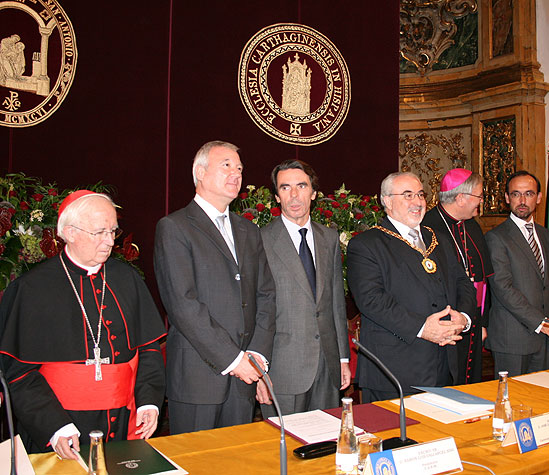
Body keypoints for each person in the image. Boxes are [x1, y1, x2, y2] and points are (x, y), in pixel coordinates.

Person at [0, 191, 166, 458]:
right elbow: (19, 374)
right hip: (62, 429)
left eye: (113, 231)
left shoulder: (128, 279)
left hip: (123, 424)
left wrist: (149, 403)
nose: (110, 241)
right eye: (99, 232)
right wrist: (55, 428)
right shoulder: (32, 289)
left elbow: (148, 351)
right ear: (70, 232)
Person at [154, 140, 275, 433]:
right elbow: (183, 304)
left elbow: (267, 295)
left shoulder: (248, 230)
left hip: (245, 375)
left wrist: (256, 355)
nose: (236, 174)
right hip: (199, 377)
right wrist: (233, 360)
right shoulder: (175, 227)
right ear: (200, 172)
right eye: (226, 166)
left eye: (239, 168)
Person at [347, 172, 476, 402]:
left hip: (444, 363)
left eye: (420, 195)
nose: (417, 202)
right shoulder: (367, 244)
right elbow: (372, 300)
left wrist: (463, 318)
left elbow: (463, 283)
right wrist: (422, 328)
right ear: (387, 201)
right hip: (395, 370)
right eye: (407, 195)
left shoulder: (438, 239)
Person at [259, 159, 350, 417]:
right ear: (277, 196)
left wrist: (343, 358)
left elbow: (335, 303)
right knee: (283, 449)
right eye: (285, 188)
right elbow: (254, 310)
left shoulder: (328, 238)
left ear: (313, 193)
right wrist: (259, 372)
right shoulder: (260, 240)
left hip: (327, 366)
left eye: (301, 186)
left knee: (326, 444)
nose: (294, 195)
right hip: (282, 369)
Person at [485, 171, 549, 377]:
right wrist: (539, 322)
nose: (522, 200)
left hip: (543, 337)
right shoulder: (496, 237)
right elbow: (503, 288)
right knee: (510, 401)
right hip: (513, 337)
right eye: (516, 194)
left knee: (538, 400)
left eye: (528, 194)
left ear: (538, 198)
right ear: (507, 198)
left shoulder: (546, 235)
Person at [422, 168, 493, 383]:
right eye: (479, 196)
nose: (481, 202)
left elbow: (484, 282)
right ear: (461, 198)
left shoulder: (472, 226)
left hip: (473, 320)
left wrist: (481, 322)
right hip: (446, 325)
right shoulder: (428, 227)